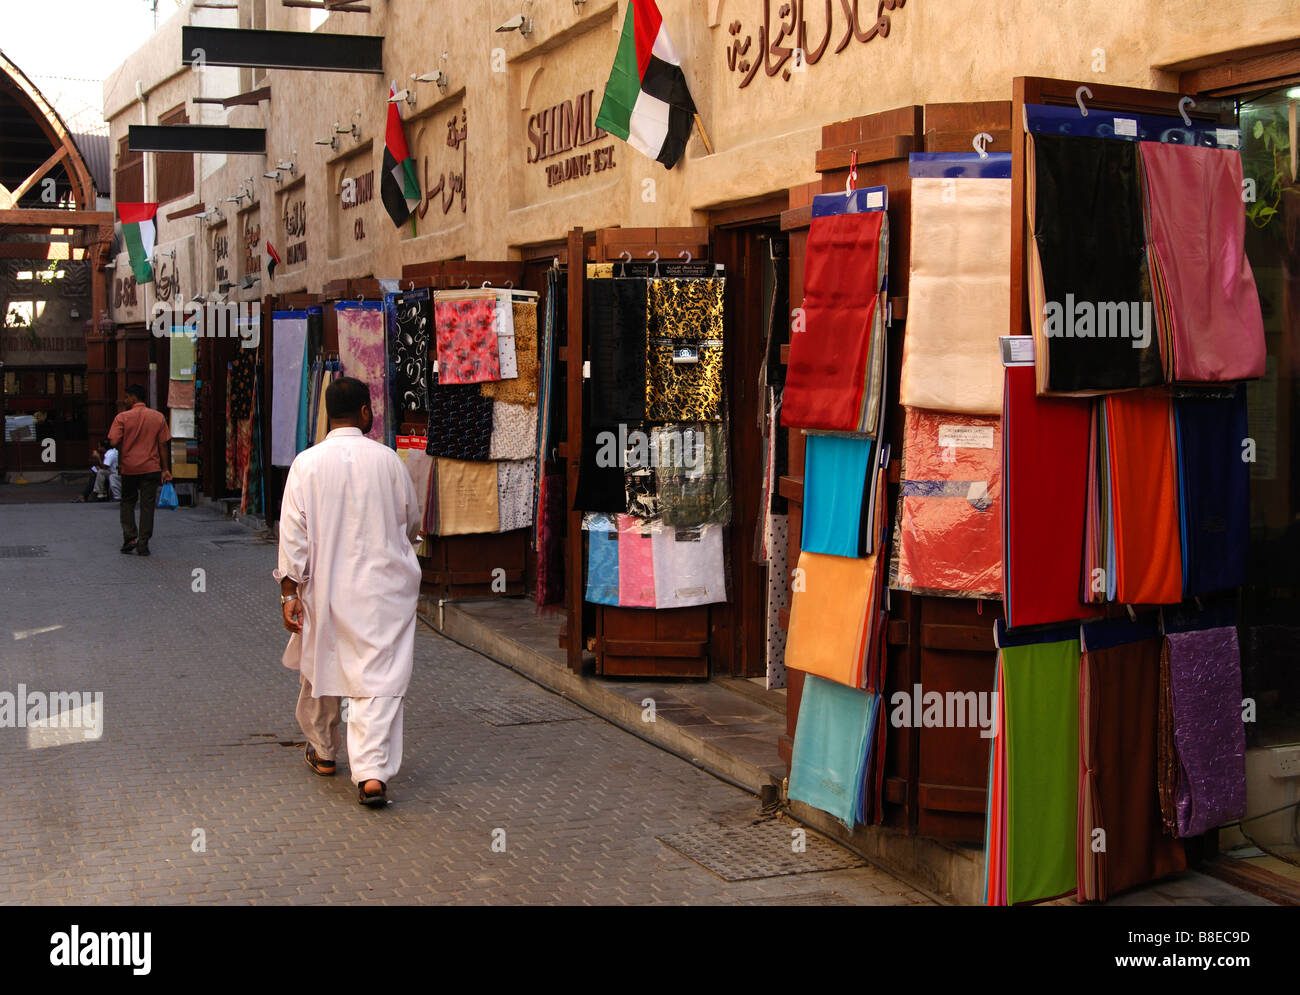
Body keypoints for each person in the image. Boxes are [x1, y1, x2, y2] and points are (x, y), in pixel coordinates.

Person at [275, 376, 422, 807]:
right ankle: (371, 773)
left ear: (326, 414)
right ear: (364, 413)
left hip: (328, 586)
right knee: (378, 678)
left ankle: (323, 752)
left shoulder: (307, 463)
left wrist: (290, 592)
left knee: (321, 664)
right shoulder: (389, 461)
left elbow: (293, 535)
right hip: (383, 591)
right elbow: (411, 521)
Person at [107, 385, 172, 556]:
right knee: (147, 505)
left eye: (127, 397)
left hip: (129, 468)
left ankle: (130, 537)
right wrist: (165, 469)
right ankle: (143, 543)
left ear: (134, 398)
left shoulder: (122, 418)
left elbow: (113, 441)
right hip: (151, 467)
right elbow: (163, 444)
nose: (125, 400)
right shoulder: (157, 417)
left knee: (127, 502)